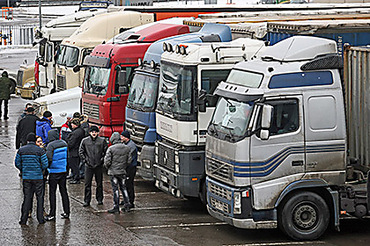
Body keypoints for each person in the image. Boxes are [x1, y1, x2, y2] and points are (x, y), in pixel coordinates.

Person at [15, 133, 48, 225]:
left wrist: (24, 169)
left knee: (27, 198)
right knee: (40, 198)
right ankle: (40, 219)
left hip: (27, 177)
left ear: (27, 140)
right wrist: (39, 170)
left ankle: (23, 219)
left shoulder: (21, 150)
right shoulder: (40, 151)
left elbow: (17, 163)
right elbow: (45, 164)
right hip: (38, 177)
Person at [44, 129, 70, 221]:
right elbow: (68, 157)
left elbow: (48, 158)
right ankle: (67, 212)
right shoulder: (64, 143)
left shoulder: (50, 145)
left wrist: (47, 169)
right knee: (64, 192)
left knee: (52, 193)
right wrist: (67, 169)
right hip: (62, 171)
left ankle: (52, 214)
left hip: (54, 172)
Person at [79, 125, 108, 207]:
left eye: (95, 132)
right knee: (87, 184)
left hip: (98, 165)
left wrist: (102, 161)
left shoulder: (102, 141)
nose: (94, 133)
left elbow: (106, 152)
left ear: (98, 133)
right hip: (88, 166)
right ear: (89, 133)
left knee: (99, 184)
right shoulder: (85, 141)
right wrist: (85, 161)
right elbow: (81, 151)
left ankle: (99, 199)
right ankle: (87, 200)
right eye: (92, 132)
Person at [104, 132, 132, 213]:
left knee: (115, 189)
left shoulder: (111, 149)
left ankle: (116, 207)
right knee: (124, 188)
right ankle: (127, 205)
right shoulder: (127, 148)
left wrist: (109, 168)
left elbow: (107, 161)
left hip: (113, 172)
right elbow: (129, 160)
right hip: (122, 171)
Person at [120, 130, 137, 208]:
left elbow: (129, 159)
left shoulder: (131, 146)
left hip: (130, 168)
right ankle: (126, 199)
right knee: (125, 185)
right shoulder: (127, 144)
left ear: (126, 137)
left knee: (129, 184)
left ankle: (130, 201)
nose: (121, 138)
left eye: (122, 136)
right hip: (128, 167)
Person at [66, 118, 85, 184]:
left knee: (74, 166)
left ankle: (76, 178)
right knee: (76, 165)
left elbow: (71, 143)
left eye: (72, 124)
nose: (71, 125)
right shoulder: (81, 131)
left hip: (74, 152)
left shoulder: (75, 133)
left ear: (75, 125)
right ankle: (75, 177)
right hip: (77, 151)